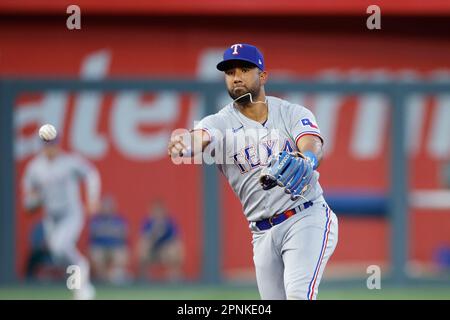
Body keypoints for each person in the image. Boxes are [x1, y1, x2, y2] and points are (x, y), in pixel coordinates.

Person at [167, 43, 338, 300]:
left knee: (299, 295)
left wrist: (308, 158)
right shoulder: (219, 121)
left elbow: (312, 143)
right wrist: (185, 143)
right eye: (230, 71)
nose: (236, 77)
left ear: (262, 75)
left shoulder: (290, 112)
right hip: (262, 232)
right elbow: (200, 136)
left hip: (305, 217)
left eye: (245, 69)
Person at [22, 137, 100, 299]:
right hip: (51, 217)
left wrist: (92, 198)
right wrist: (34, 201)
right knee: (57, 255)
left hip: (71, 214)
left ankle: (81, 269)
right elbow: (28, 200)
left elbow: (92, 174)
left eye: (53, 145)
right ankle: (81, 285)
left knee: (60, 246)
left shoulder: (69, 162)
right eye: (47, 145)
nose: (50, 148)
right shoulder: (35, 168)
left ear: (58, 145)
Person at [137, 200, 184, 281]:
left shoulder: (169, 222)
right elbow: (143, 239)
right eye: (156, 210)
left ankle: (174, 275)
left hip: (165, 251)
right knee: (143, 247)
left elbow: (177, 239)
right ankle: (144, 276)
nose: (158, 213)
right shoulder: (148, 223)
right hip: (152, 250)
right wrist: (154, 233)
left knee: (174, 249)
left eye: (160, 210)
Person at [89, 195, 129, 284]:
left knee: (121, 253)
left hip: (115, 247)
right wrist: (110, 231)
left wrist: (106, 231)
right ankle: (103, 278)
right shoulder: (96, 219)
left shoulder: (120, 220)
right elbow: (94, 235)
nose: (107, 208)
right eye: (105, 206)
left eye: (109, 206)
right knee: (96, 254)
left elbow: (123, 235)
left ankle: (115, 277)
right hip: (100, 247)